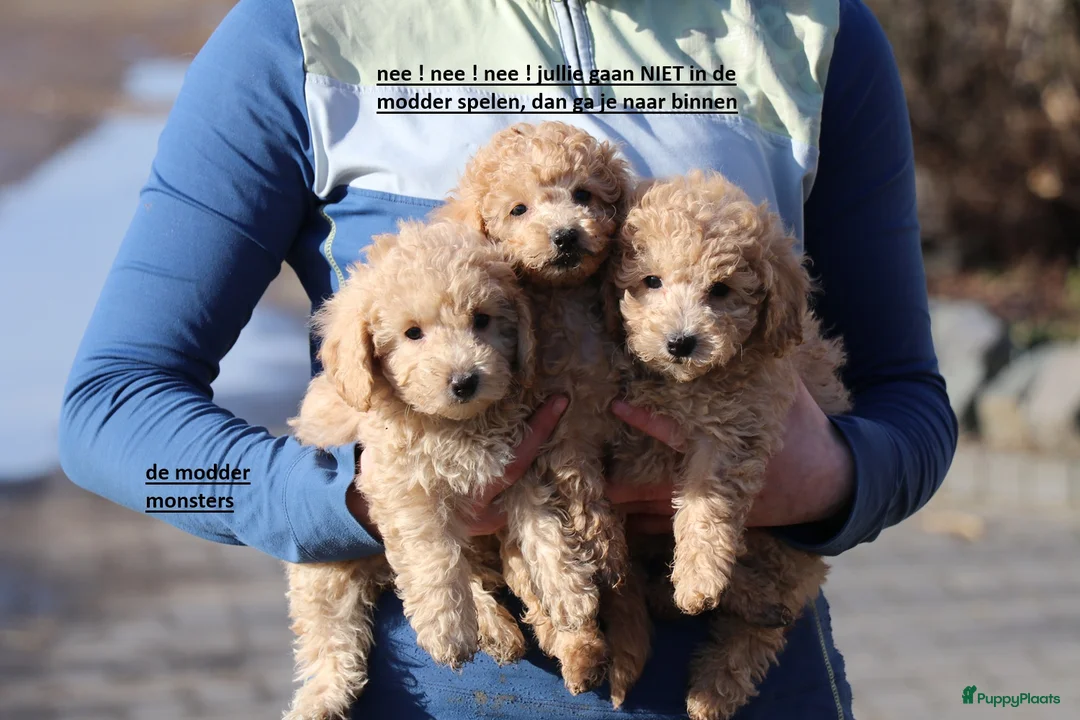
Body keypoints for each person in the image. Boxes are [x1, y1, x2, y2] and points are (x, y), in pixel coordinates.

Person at [58, 0, 958, 717]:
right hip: (436, 687)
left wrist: (838, 478)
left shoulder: (810, 24)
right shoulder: (295, 32)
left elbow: (914, 408)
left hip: (751, 680)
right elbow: (106, 418)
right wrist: (343, 499)